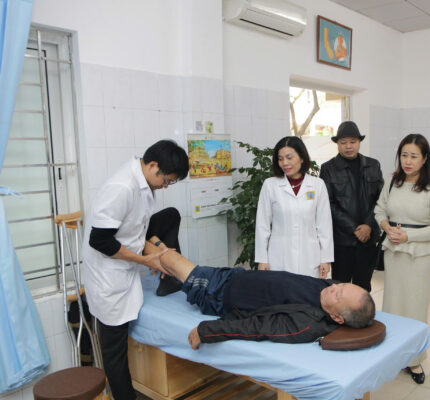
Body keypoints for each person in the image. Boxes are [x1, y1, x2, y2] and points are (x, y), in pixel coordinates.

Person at [82, 140, 188, 400]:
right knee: (115, 353)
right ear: (153, 166)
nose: (166, 186)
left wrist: (160, 249)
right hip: (108, 276)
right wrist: (146, 260)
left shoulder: (144, 184)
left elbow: (138, 229)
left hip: (124, 268)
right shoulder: (122, 187)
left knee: (171, 215)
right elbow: (99, 240)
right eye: (167, 180)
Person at [144, 236, 375, 348]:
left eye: (339, 294)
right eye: (342, 285)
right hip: (236, 276)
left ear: (337, 318)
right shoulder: (329, 291)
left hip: (218, 293)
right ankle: (157, 244)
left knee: (168, 259)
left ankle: (139, 239)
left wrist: (206, 330)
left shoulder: (306, 322)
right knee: (176, 263)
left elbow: (256, 328)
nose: (333, 286)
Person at [374, 134, 430, 384]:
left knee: (415, 306)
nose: (407, 161)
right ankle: (393, 355)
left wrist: (408, 236)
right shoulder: (393, 182)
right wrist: (386, 226)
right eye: (404, 155)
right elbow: (379, 209)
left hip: (419, 254)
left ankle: (415, 360)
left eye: (414, 156)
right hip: (394, 250)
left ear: (425, 158)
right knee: (393, 304)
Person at [255, 136, 334, 278]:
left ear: (302, 158)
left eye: (289, 157)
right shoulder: (270, 185)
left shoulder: (317, 185)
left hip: (310, 258)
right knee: (281, 290)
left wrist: (326, 259)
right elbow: (262, 225)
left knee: (308, 290)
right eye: (280, 159)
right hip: (278, 258)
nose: (284, 163)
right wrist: (262, 259)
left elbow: (324, 225)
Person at [320, 121, 383, 292]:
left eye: (353, 142)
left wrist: (368, 225)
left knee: (363, 288)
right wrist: (354, 228)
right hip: (342, 241)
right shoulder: (328, 169)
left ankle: (362, 312)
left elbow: (381, 200)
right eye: (343, 142)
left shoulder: (373, 165)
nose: (348, 146)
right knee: (340, 288)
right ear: (337, 144)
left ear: (359, 142)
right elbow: (328, 204)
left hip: (368, 239)